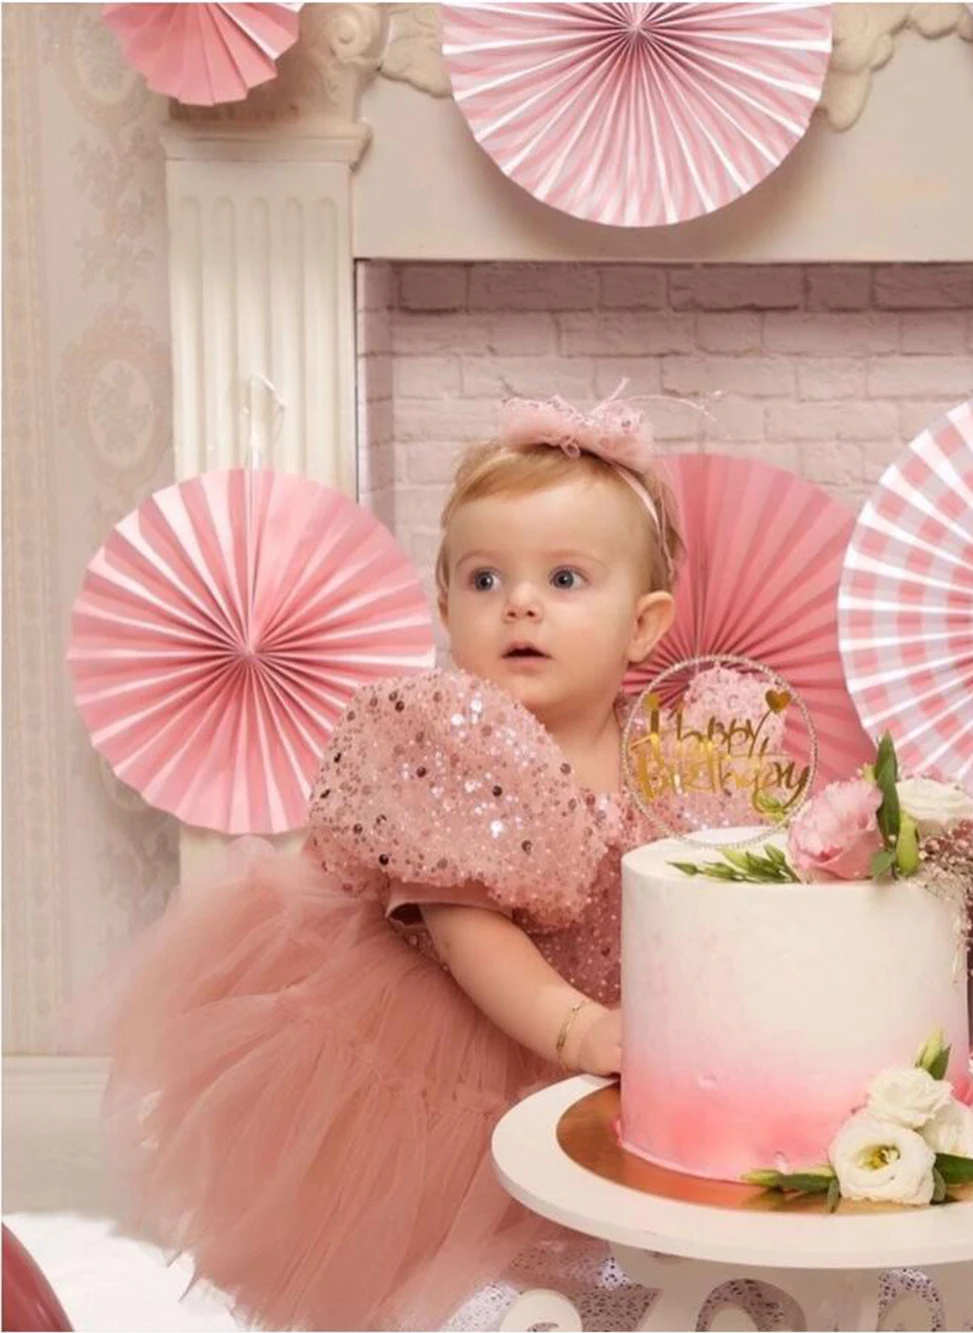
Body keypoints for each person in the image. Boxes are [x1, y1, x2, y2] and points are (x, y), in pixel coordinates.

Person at [90, 388, 684, 1331]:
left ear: (645, 625)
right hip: (460, 1031)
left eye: (565, 580)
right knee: (462, 1252)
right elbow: (469, 925)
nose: (520, 601)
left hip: (612, 1030)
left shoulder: (670, 753)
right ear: (446, 604)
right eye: (485, 580)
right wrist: (578, 1032)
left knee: (621, 1237)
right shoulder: (452, 737)